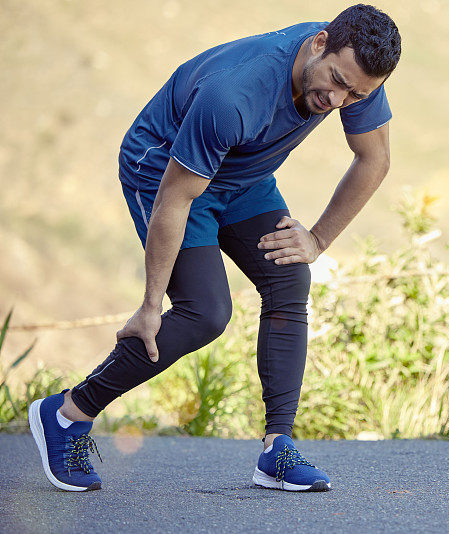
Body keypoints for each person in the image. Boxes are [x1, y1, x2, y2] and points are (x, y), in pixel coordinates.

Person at [27, 4, 401, 493]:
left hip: (243, 176)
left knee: (290, 277)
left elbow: (374, 160)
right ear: (319, 42)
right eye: (335, 82)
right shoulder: (236, 94)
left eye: (356, 93)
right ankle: (66, 412)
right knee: (204, 313)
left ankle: (276, 449)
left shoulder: (354, 75)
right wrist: (149, 304)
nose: (339, 99)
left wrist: (317, 239)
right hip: (164, 169)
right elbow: (177, 195)